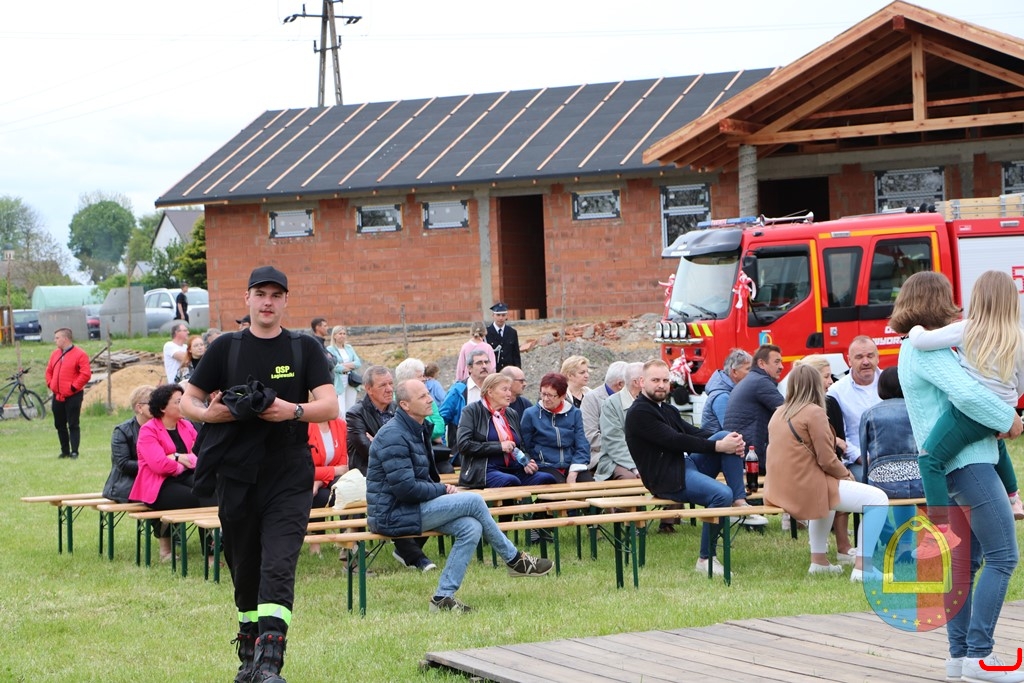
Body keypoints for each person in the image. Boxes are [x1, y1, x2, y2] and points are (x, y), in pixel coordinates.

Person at [181, 265, 337, 683]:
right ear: (247, 299)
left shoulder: (304, 348)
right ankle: (249, 654)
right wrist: (209, 414)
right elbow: (187, 401)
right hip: (236, 474)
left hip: (288, 471)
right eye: (261, 294)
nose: (268, 302)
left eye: (276, 295)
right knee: (244, 567)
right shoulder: (225, 348)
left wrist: (291, 410)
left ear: (285, 301)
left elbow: (330, 405)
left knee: (279, 564)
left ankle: (270, 663)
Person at [892, 271, 1024, 681]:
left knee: (966, 565)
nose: (955, 303)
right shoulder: (927, 352)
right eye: (948, 296)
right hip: (969, 464)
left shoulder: (914, 348)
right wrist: (1009, 419)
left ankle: (960, 656)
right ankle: (980, 657)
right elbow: (968, 395)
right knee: (1004, 557)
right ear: (935, 302)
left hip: (955, 466)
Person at [366, 378, 552, 613]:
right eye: (422, 396)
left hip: (411, 508)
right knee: (474, 500)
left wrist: (438, 490)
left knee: (471, 527)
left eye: (428, 394)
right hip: (392, 514)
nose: (430, 399)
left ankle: (443, 597)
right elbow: (406, 489)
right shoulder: (393, 435)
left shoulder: (417, 428)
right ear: (405, 405)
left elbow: (419, 481)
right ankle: (515, 560)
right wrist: (442, 489)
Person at [905, 270, 1024, 521]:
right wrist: (1005, 407)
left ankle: (939, 525)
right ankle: (1014, 497)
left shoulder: (967, 329)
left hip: (972, 413)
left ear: (977, 299)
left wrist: (913, 327)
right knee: (997, 443)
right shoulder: (1019, 336)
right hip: (1003, 407)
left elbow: (922, 341)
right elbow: (1021, 383)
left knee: (929, 459)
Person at [764, 364, 889, 580]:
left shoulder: (778, 413)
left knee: (828, 501)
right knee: (877, 499)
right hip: (807, 487)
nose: (828, 383)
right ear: (815, 385)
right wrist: (845, 474)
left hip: (780, 489)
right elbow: (827, 459)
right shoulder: (814, 412)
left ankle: (819, 562)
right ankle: (863, 568)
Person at [624, 359, 745, 577]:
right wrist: (718, 446)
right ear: (642, 382)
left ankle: (740, 501)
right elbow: (675, 440)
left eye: (665, 380)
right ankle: (706, 559)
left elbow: (694, 433)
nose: (661, 385)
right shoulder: (639, 413)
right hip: (667, 479)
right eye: (655, 380)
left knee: (725, 435)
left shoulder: (667, 409)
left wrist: (730, 441)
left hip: (684, 466)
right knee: (721, 494)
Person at [347, 365, 437, 572]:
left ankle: (409, 551)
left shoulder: (401, 407)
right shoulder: (355, 413)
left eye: (391, 383)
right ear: (368, 389)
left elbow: (415, 443)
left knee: (424, 487)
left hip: (404, 469)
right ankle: (413, 554)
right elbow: (367, 449)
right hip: (369, 473)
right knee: (398, 493)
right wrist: (390, 445)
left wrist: (386, 443)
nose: (389, 389)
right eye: (383, 385)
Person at [129, 383, 216, 561]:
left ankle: (212, 551)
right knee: (199, 499)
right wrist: (181, 460)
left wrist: (175, 457)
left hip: (185, 477)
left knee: (210, 491)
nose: (183, 405)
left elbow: (200, 455)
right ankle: (210, 554)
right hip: (159, 487)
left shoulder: (186, 425)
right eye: (178, 402)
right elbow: (159, 465)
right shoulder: (148, 430)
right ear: (163, 408)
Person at [456, 373, 557, 488]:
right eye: (505, 390)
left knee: (547, 479)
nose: (509, 393)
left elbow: (521, 446)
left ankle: (529, 500)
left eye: (509, 389)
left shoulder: (511, 413)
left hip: (513, 468)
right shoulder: (472, 411)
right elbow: (464, 445)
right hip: (484, 470)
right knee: (510, 481)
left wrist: (527, 461)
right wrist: (499, 446)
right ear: (490, 392)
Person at [520, 372, 594, 484]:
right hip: (544, 465)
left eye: (551, 395)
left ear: (562, 396)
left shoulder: (575, 413)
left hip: (571, 464)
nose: (545, 399)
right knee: (558, 485)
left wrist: (574, 471)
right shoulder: (531, 414)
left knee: (588, 485)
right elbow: (524, 445)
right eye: (543, 394)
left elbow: (582, 444)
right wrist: (528, 462)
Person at [723, 343, 784, 474]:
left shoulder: (752, 380)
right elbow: (789, 413)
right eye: (776, 362)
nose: (781, 366)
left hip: (740, 454)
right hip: (752, 457)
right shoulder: (761, 382)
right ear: (761, 363)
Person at [102, 385, 154, 503]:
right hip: (125, 485)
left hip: (153, 482)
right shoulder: (122, 431)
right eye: (152, 404)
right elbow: (124, 465)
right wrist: (155, 465)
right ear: (139, 408)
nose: (158, 407)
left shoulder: (161, 427)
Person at [45, 327, 91, 460]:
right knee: (59, 424)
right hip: (57, 395)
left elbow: (85, 374)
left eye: (57, 338)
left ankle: (74, 451)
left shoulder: (80, 354)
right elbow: (49, 371)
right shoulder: (55, 354)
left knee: (73, 424)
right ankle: (64, 451)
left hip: (73, 395)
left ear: (65, 339)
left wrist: (73, 387)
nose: (55, 340)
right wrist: (51, 384)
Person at [306, 416, 349, 557]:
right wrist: (332, 471)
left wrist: (319, 481)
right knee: (318, 495)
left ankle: (349, 542)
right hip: (307, 480)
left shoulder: (341, 425)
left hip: (325, 479)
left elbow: (343, 466)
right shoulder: (305, 426)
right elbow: (305, 469)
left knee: (346, 489)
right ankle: (315, 544)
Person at [439, 348, 493, 456]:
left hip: (491, 450)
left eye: (486, 362)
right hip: (463, 453)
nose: (484, 366)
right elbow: (441, 419)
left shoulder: (495, 389)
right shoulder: (458, 391)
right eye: (479, 363)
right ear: (469, 368)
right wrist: (443, 449)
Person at [596, 362, 643, 481]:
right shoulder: (611, 404)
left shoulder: (652, 402)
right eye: (651, 379)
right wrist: (636, 467)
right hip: (615, 460)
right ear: (636, 382)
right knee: (630, 478)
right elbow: (615, 442)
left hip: (647, 459)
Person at [580, 361, 628, 473]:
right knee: (628, 474)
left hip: (628, 452)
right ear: (620, 384)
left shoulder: (631, 397)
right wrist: (621, 447)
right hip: (601, 454)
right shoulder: (592, 399)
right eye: (630, 382)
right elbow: (590, 436)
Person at [701, 348, 753, 433]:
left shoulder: (732, 392)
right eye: (748, 369)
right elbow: (732, 430)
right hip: (718, 440)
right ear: (734, 372)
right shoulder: (722, 397)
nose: (752, 373)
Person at [326, 325, 363, 414]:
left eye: (344, 334)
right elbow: (334, 366)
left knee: (350, 408)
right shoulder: (330, 349)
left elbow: (358, 363)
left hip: (351, 380)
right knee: (341, 410)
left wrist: (343, 365)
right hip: (339, 381)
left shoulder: (349, 347)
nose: (342, 336)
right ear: (334, 336)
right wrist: (348, 366)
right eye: (340, 334)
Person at [485, 302, 521, 371]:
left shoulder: (512, 332)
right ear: (493, 316)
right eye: (498, 315)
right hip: (493, 372)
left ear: (507, 316)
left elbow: (516, 355)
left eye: (503, 315)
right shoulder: (486, 333)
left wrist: (518, 370)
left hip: (509, 371)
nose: (501, 318)